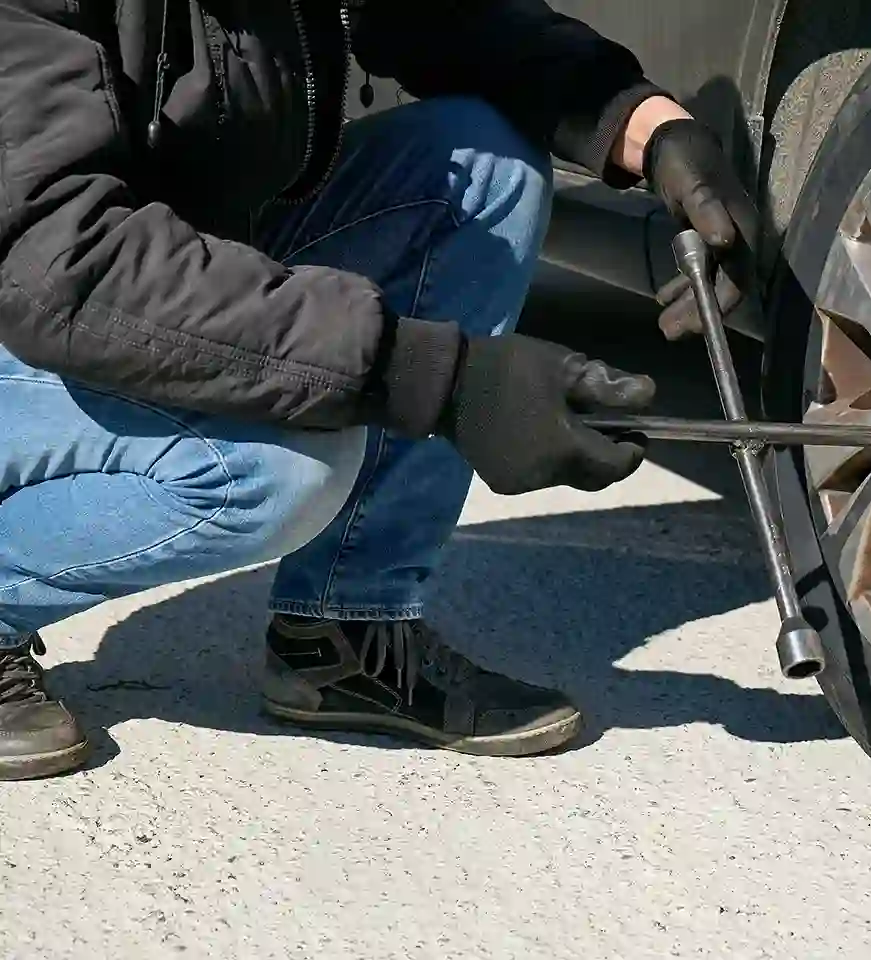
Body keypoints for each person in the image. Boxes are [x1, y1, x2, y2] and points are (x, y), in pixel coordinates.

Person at [0, 0, 761, 780]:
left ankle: (344, 634)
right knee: (274, 472)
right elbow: (64, 265)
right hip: (42, 288)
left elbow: (456, 19)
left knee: (476, 164)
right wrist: (435, 376)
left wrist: (649, 129)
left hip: (145, 267)